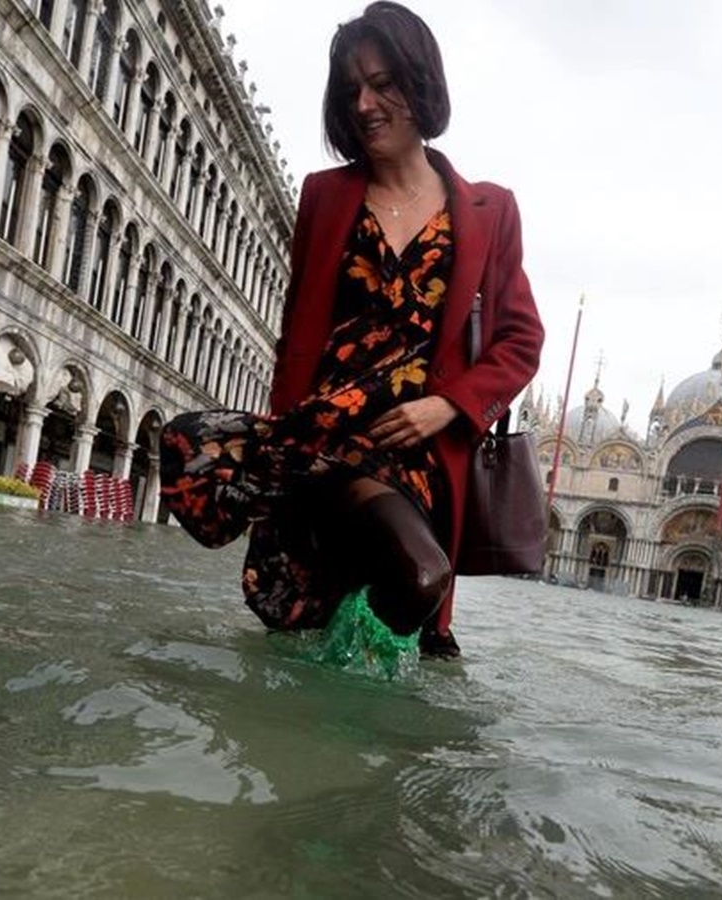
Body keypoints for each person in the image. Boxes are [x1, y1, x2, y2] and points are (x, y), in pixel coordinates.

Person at [159, 2, 544, 659]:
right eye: (352, 90)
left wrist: (446, 405)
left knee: (416, 584)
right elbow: (300, 330)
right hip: (328, 435)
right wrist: (289, 429)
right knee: (412, 575)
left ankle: (351, 681)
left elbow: (521, 337)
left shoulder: (489, 209)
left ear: (421, 83)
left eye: (384, 83)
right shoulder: (324, 195)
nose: (366, 104)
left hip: (417, 445)